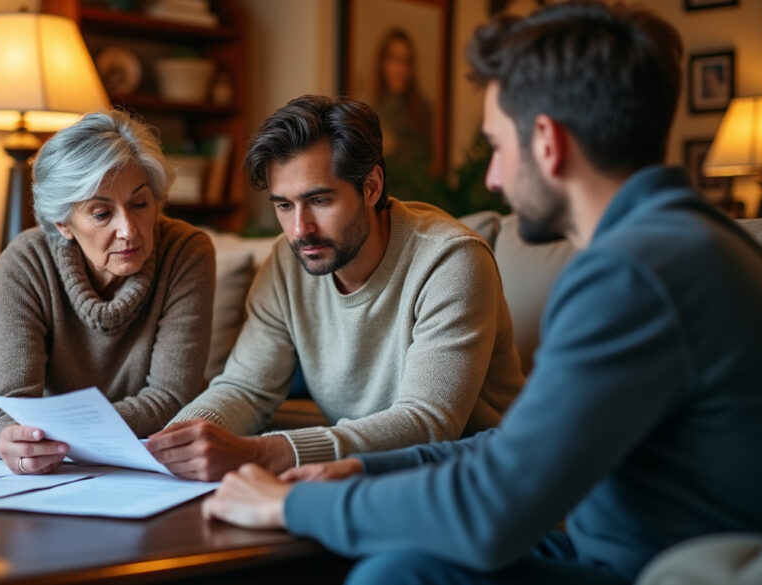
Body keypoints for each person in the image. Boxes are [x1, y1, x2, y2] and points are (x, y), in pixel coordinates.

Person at [200, 3, 762, 584]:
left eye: (497, 145)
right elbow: (516, 449)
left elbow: (491, 507)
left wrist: (289, 504)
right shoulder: (674, 242)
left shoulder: (636, 274)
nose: (493, 178)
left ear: (546, 142)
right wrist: (360, 471)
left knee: (392, 577)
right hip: (601, 545)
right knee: (398, 566)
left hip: (643, 568)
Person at [146, 95, 524, 481]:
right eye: (284, 206)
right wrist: (173, 443)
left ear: (371, 187)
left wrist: (268, 452)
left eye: (319, 200)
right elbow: (245, 389)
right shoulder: (286, 263)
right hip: (356, 478)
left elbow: (426, 422)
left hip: (472, 479)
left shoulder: (451, 261)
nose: (299, 230)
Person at [0, 110, 216, 475]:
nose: (129, 230)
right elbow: (14, 404)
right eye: (102, 214)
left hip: (142, 429)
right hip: (52, 427)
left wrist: (68, 433)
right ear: (63, 224)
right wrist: (12, 436)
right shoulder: (24, 263)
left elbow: (172, 397)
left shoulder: (187, 252)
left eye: (140, 204)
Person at [374, 28, 434, 202]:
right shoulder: (371, 109)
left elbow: (428, 162)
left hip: (416, 200)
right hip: (381, 201)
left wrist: (395, 145)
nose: (402, 68)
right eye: (396, 60)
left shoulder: (423, 109)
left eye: (407, 61)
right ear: (383, 63)